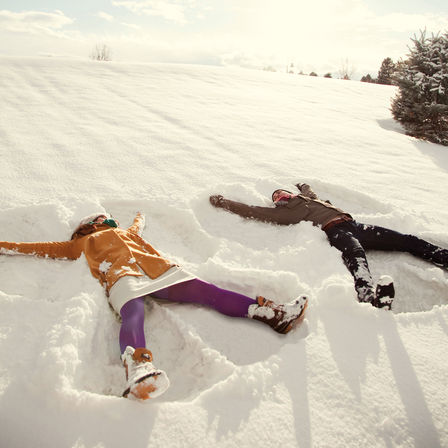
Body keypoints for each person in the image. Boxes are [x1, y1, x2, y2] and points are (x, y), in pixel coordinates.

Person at [0, 212, 308, 401]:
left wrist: (138, 216)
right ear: (86, 226)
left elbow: (137, 225)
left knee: (208, 292)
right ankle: (139, 368)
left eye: (108, 219)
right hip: (121, 276)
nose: (106, 221)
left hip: (159, 270)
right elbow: (40, 248)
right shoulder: (80, 244)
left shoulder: (126, 232)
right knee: (132, 313)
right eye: (100, 219)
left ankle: (272, 314)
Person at [209, 183, 448, 310]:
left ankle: (442, 256)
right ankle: (367, 294)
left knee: (405, 240)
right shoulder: (287, 213)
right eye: (277, 198)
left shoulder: (308, 200)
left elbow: (311, 193)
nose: (281, 197)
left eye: (282, 193)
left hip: (355, 225)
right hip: (336, 230)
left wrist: (303, 186)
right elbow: (253, 211)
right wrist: (224, 202)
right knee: (355, 253)